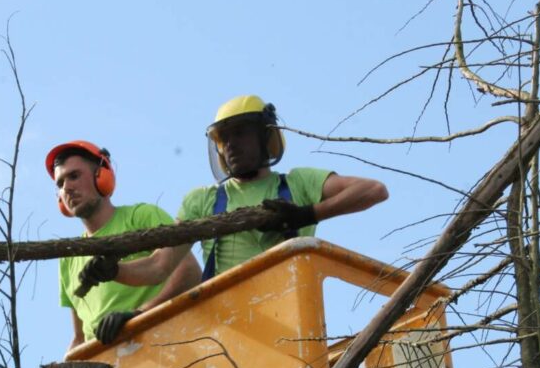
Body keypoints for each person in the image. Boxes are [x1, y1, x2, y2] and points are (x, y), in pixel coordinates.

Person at [75, 95, 388, 293]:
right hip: (229, 323)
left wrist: (307, 214)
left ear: (266, 137)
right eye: (224, 139)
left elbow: (373, 190)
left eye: (240, 134)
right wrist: (115, 270)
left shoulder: (298, 183)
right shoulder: (203, 201)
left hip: (291, 310)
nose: (231, 145)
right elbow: (159, 266)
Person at [48, 140, 202, 350]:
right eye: (60, 183)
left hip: (162, 347)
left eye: (74, 176)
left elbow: (189, 273)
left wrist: (139, 315)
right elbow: (79, 337)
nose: (67, 187)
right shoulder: (69, 258)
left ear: (101, 176)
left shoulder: (141, 218)